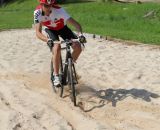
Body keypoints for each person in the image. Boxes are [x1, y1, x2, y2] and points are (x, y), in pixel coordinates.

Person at [34, 0, 86, 87]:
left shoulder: (59, 10)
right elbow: (38, 32)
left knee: (78, 47)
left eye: (50, 6)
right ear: (41, 5)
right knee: (57, 47)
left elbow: (76, 25)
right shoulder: (37, 12)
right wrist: (47, 40)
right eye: (46, 6)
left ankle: (69, 67)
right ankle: (56, 76)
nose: (48, 8)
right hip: (50, 30)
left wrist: (80, 35)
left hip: (62, 28)